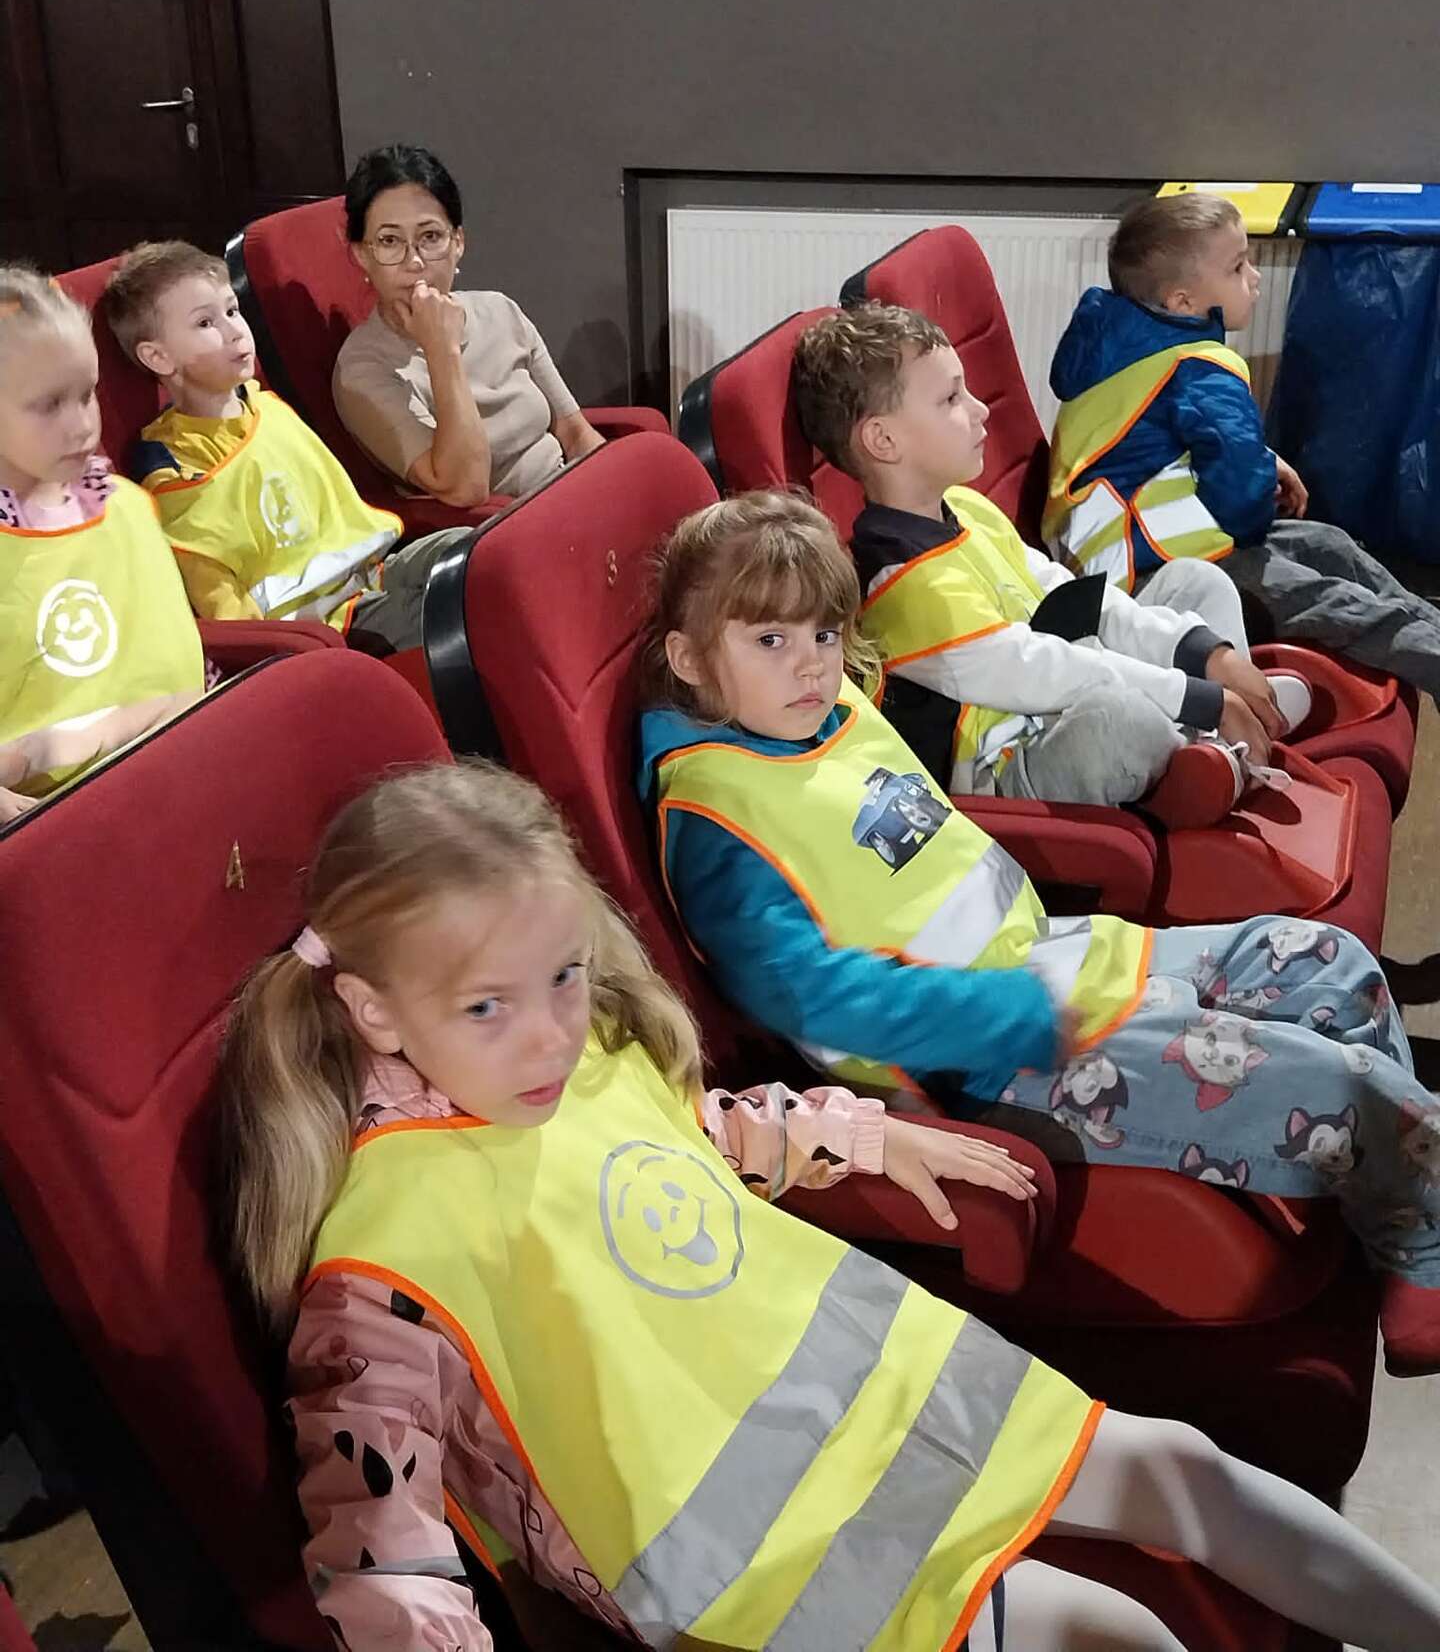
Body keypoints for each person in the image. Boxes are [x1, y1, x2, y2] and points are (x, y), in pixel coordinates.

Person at [220, 762, 1440, 1651]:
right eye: (489, 1006)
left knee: (1184, 1467)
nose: (548, 1033)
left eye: (565, 976)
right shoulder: (377, 1268)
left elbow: (698, 1146)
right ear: (373, 1010)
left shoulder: (584, 1061)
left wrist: (871, 1134)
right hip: (753, 1561)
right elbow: (383, 1555)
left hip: (875, 1387)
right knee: (1111, 1630)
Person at [635, 490, 1440, 1377]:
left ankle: (1407, 1224)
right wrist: (1011, 1015)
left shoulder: (827, 714)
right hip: (995, 1060)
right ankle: (1426, 1237)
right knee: (1344, 1086)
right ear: (690, 658)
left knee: (1335, 963)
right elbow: (813, 996)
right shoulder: (714, 822)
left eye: (824, 634)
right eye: (769, 641)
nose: (811, 666)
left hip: (1061, 956)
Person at [792, 302, 1308, 823]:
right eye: (951, 398)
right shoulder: (899, 586)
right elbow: (1043, 670)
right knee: (1120, 717)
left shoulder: (966, 506)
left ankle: (1221, 740)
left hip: (1063, 696)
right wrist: (1197, 696)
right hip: (1010, 770)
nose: (980, 409)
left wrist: (1206, 656)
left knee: (1194, 580)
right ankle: (1213, 751)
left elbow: (1072, 597)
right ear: (884, 440)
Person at [1045, 191, 1440, 702]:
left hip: (1134, 550)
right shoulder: (1203, 371)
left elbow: (1152, 447)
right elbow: (1242, 504)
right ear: (1182, 302)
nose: (1254, 278)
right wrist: (1259, 476)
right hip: (1156, 573)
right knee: (1337, 603)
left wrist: (1265, 460)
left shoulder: (1123, 342)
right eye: (1237, 267)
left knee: (1329, 545)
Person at [107, 242, 468, 651]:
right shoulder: (173, 462)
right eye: (205, 323)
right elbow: (218, 595)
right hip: (322, 622)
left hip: (374, 573)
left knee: (475, 552)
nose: (234, 331)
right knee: (461, 613)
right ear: (158, 357)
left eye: (232, 311)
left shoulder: (267, 406)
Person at [0, 266, 205, 823]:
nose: (81, 427)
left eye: (86, 395)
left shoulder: (125, 506)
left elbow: (175, 676)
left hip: (169, 768)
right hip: (44, 816)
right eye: (48, 405)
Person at [334, 144, 603, 509]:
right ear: (362, 255)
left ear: (458, 242)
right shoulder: (361, 369)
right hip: (505, 526)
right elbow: (465, 487)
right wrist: (440, 348)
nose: (414, 262)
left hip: (574, 495)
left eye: (430, 237)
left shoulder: (500, 310)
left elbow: (574, 431)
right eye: (389, 241)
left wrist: (612, 491)